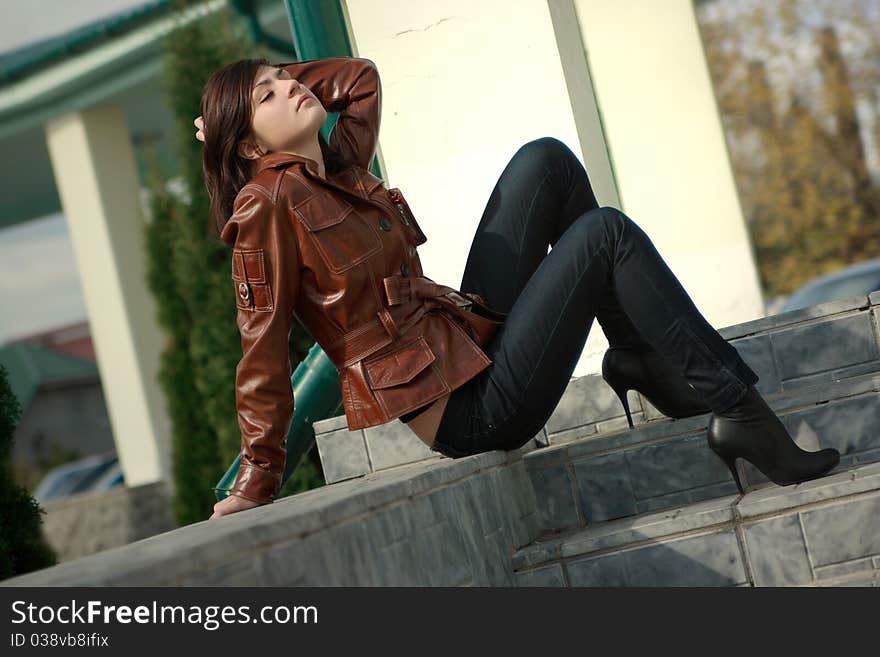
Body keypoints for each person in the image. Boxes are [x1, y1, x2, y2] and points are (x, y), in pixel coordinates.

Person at [196, 56, 839, 520]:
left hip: (465, 335)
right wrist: (259, 476)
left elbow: (360, 77)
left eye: (288, 78)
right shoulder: (264, 207)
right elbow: (262, 350)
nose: (292, 87)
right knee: (604, 235)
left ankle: (639, 355)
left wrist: (256, 86)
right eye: (269, 96)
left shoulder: (337, 165)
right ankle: (743, 414)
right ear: (248, 145)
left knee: (547, 160)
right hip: (471, 410)